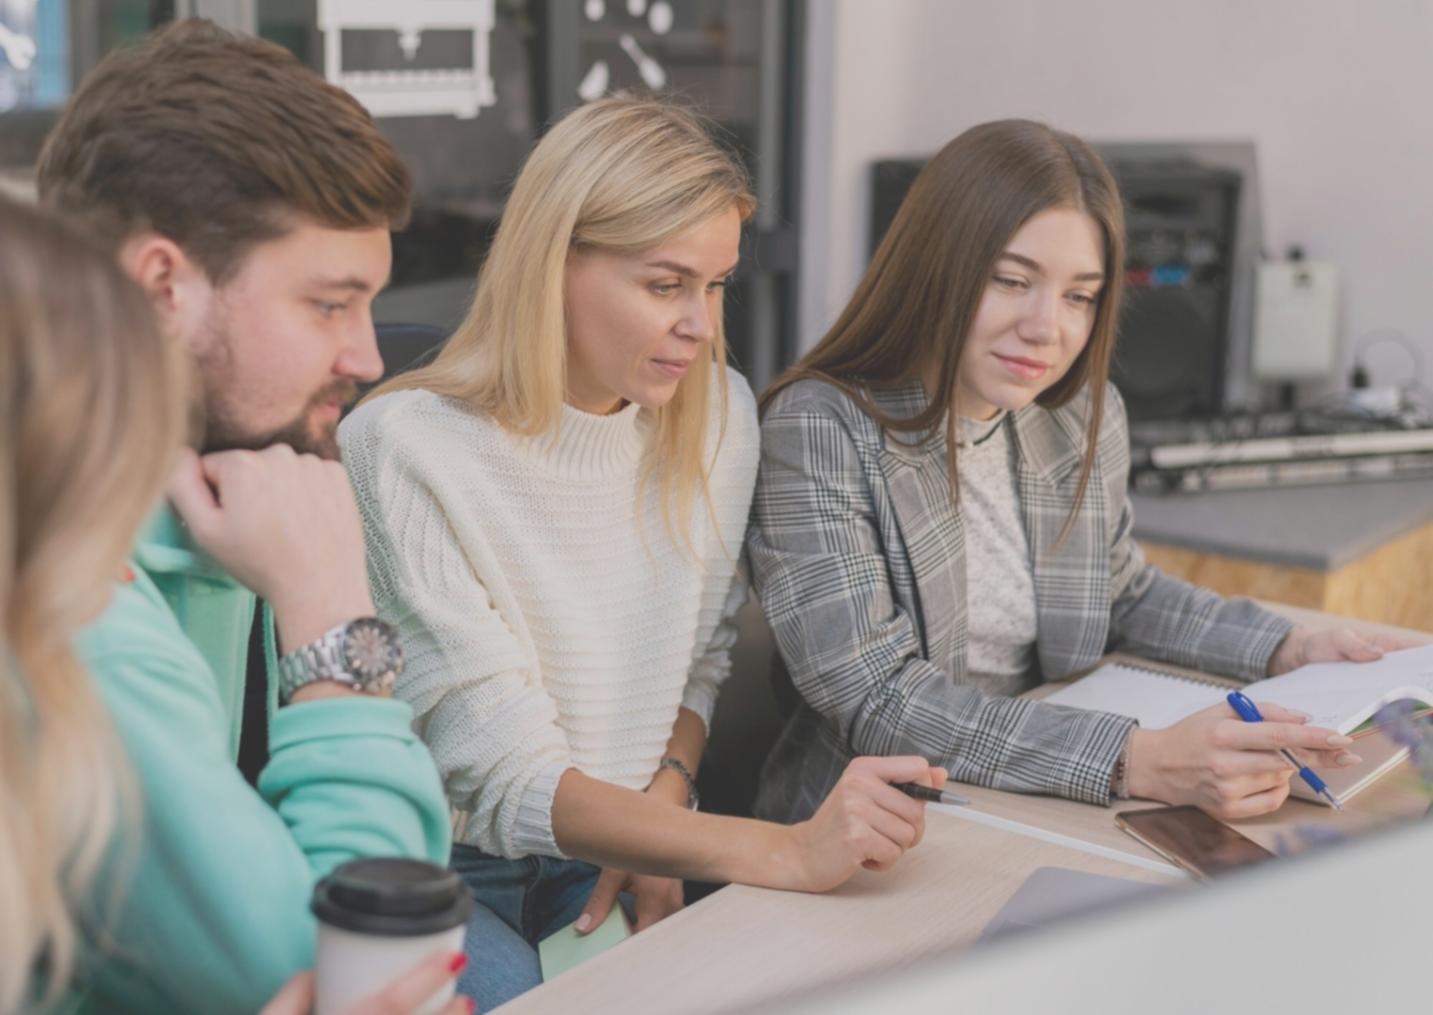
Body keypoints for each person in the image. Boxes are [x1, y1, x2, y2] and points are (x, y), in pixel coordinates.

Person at [340, 95, 943, 1009]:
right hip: (447, 866)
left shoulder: (716, 411)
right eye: (666, 286)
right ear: (553, 267)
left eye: (716, 285)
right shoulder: (403, 446)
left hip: (629, 843)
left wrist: (667, 802)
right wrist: (778, 849)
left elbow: (696, 657)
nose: (700, 325)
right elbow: (502, 774)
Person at [746, 119, 1405, 828]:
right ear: (935, 267)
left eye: (1078, 296)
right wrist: (1138, 759)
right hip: (872, 821)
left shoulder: (1074, 412)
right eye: (1011, 280)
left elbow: (1118, 593)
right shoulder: (819, 427)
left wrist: (1287, 647)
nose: (1046, 327)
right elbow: (876, 698)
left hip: (1034, 786)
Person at [35, 21, 452, 1012]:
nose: (367, 358)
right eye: (327, 304)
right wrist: (328, 613)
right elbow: (346, 967)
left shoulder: (216, 496)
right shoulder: (64, 595)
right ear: (162, 287)